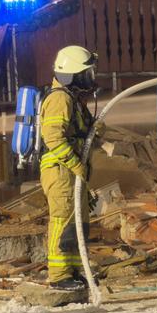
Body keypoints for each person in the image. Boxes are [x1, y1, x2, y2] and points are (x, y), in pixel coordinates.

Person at [39, 45, 101, 291]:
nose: (90, 78)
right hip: (61, 170)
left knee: (77, 223)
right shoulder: (59, 99)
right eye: (86, 73)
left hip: (71, 171)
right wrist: (77, 165)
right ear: (72, 75)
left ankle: (73, 270)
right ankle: (59, 275)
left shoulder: (72, 100)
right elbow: (53, 137)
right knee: (63, 221)